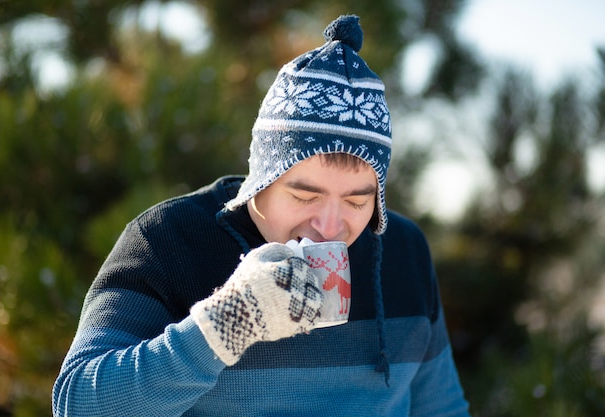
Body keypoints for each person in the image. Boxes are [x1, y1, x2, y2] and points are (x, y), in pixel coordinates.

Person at [52, 14, 470, 417]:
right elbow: (77, 405)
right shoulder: (169, 240)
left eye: (357, 202)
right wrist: (227, 323)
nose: (329, 227)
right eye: (305, 195)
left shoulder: (403, 251)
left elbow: (442, 409)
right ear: (263, 177)